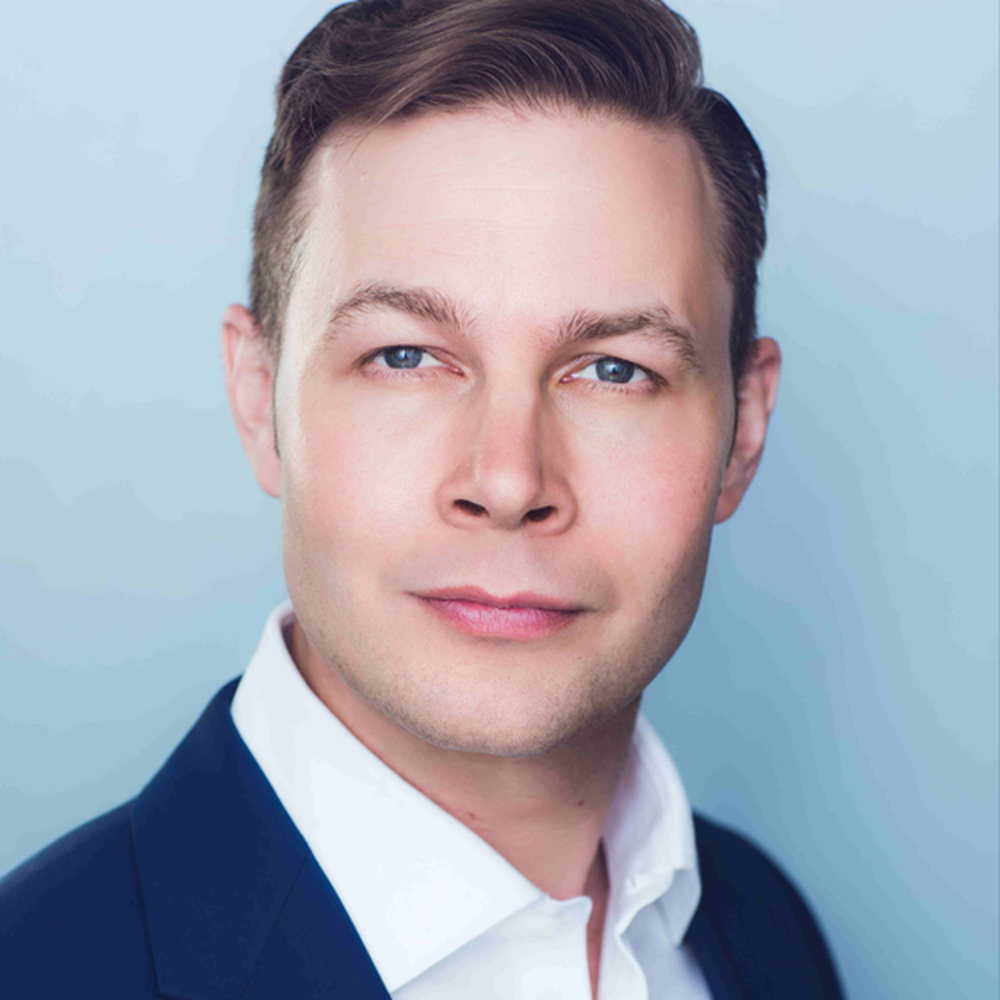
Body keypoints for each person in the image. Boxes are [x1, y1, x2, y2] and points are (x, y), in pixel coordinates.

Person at [0, 1, 845, 997]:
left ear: (743, 431)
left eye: (615, 370)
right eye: (404, 356)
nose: (508, 481)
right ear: (259, 401)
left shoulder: (766, 930)